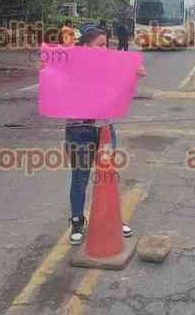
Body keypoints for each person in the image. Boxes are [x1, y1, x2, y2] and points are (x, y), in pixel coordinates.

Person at [66, 25, 147, 244]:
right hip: (78, 131)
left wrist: (134, 76)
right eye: (99, 45)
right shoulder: (69, 66)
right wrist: (45, 66)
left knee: (107, 176)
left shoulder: (110, 66)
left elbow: (119, 91)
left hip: (105, 130)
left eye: (106, 44)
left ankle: (113, 219)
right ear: (83, 46)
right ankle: (76, 221)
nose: (104, 49)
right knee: (80, 177)